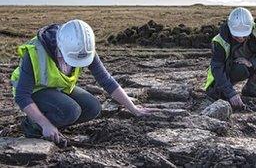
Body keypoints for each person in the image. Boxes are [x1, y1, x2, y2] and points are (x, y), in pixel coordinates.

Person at [11, 19, 155, 144]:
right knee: (70, 110)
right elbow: (22, 96)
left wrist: (133, 108)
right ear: (59, 46)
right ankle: (32, 126)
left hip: (59, 88)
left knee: (93, 108)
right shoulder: (36, 52)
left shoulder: (83, 49)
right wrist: (45, 124)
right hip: (35, 90)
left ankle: (55, 123)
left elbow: (106, 80)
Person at [203, 7, 256, 109]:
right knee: (241, 69)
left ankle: (250, 90)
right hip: (220, 80)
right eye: (236, 36)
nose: (241, 38)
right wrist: (230, 93)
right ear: (230, 28)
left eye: (244, 35)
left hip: (245, 65)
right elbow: (217, 69)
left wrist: (252, 62)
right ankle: (221, 92)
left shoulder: (254, 28)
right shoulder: (219, 41)